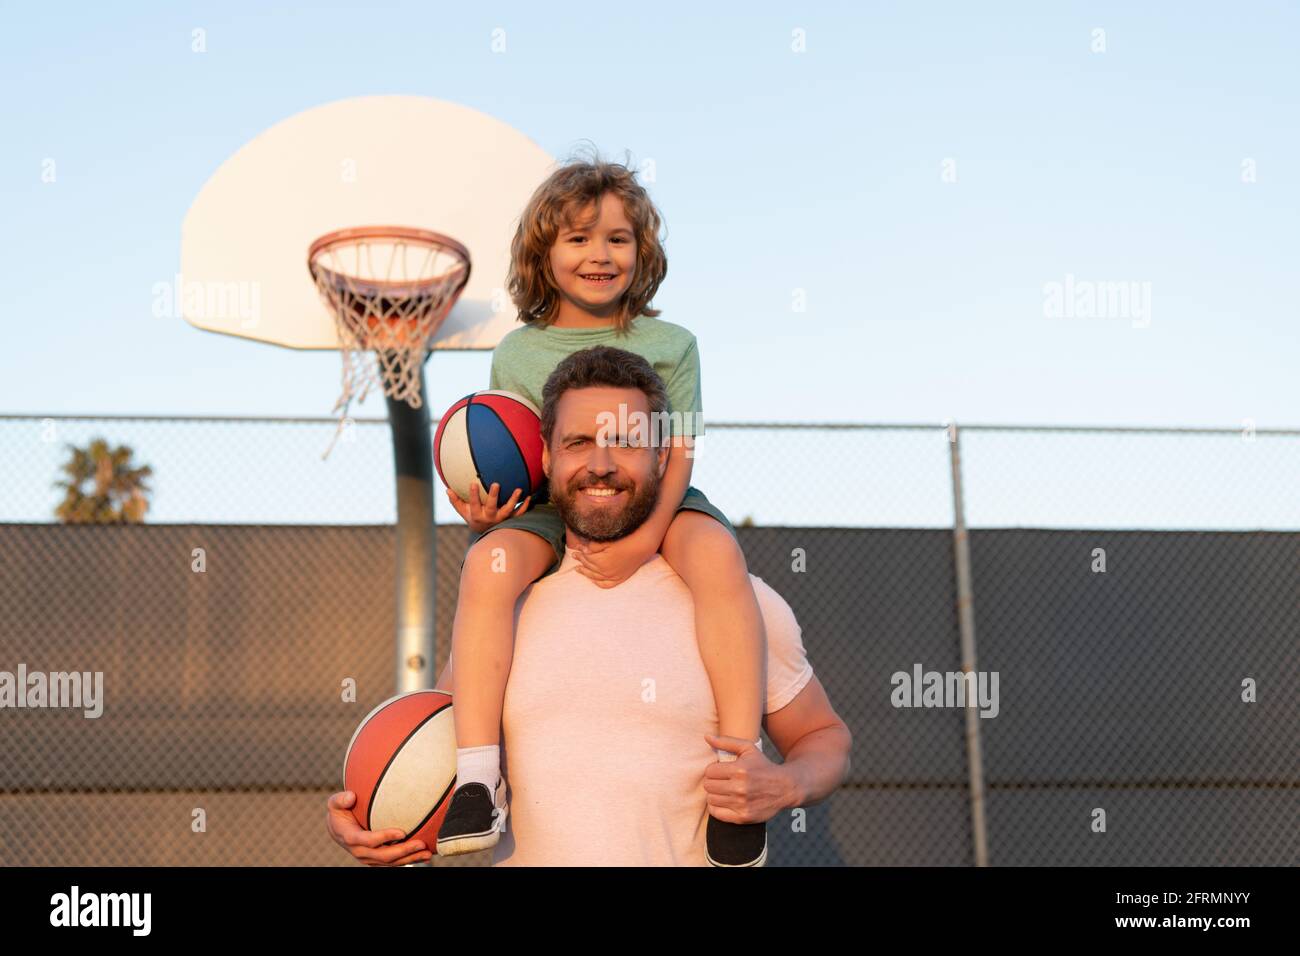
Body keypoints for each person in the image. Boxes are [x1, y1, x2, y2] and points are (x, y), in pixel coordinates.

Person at [326, 346, 852, 865]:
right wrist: (371, 816)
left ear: (662, 457)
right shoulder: (506, 604)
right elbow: (428, 757)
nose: (600, 465)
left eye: (625, 441)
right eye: (578, 442)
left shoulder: (739, 600)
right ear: (548, 457)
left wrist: (785, 784)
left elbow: (822, 737)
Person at [436, 153, 770, 865]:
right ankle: (475, 777)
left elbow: (678, 454)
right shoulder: (519, 353)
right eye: (579, 238)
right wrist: (490, 518)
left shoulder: (674, 344)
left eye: (618, 239)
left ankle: (737, 767)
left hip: (656, 495)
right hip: (559, 503)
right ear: (543, 253)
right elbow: (529, 459)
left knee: (716, 554)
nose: (600, 254)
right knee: (488, 566)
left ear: (642, 253)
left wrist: (646, 539)